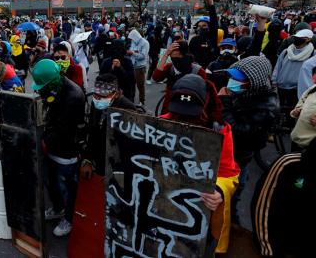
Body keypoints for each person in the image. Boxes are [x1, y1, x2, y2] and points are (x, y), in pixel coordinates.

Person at [160, 74, 240, 254]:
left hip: (198, 211)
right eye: (179, 111)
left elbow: (229, 173)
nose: (183, 118)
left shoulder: (219, 130)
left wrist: (219, 191)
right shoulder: (161, 122)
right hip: (165, 204)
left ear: (205, 104)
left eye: (191, 113)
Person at [219, 56, 278, 223]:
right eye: (231, 77)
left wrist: (225, 103)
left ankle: (232, 232)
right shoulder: (246, 92)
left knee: (230, 200)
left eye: (237, 79)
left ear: (254, 80)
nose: (232, 82)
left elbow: (239, 132)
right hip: (227, 154)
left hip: (238, 159)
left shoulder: (267, 107)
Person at [32, 59, 85, 237]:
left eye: (42, 85)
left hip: (67, 149)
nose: (39, 89)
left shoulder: (74, 96)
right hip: (51, 145)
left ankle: (68, 218)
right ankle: (57, 207)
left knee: (67, 186)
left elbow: (63, 129)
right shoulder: (53, 89)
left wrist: (42, 142)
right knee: (50, 181)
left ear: (53, 81)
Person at [81, 74, 145, 178]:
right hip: (100, 160)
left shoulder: (127, 109)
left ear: (116, 94)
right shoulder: (95, 103)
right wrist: (87, 159)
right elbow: (93, 132)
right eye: (96, 95)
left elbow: (132, 144)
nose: (98, 98)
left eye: (103, 96)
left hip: (119, 166)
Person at [272, 28, 315, 114]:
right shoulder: (286, 52)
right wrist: (274, 80)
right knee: (279, 110)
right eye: (296, 37)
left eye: (300, 37)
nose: (296, 39)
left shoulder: (313, 54)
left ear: (308, 39)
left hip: (297, 90)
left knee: (293, 112)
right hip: (281, 87)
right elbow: (278, 66)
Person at [188, 0, 219, 69]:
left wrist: (211, 3)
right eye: (199, 26)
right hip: (196, 71)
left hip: (210, 70)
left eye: (204, 25)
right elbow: (189, 55)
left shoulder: (212, 38)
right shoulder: (193, 40)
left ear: (209, 26)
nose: (201, 28)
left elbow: (214, 21)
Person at [291, 66, 316, 148]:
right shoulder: (311, 90)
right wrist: (295, 112)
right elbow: (296, 109)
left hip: (310, 144)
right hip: (296, 138)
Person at [127, 29, 149, 105]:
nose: (131, 40)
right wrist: (130, 53)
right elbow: (131, 49)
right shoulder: (133, 42)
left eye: (132, 38)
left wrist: (133, 53)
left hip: (140, 67)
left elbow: (143, 56)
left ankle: (142, 101)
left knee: (140, 85)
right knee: (131, 84)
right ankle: (131, 99)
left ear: (136, 36)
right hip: (132, 65)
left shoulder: (145, 43)